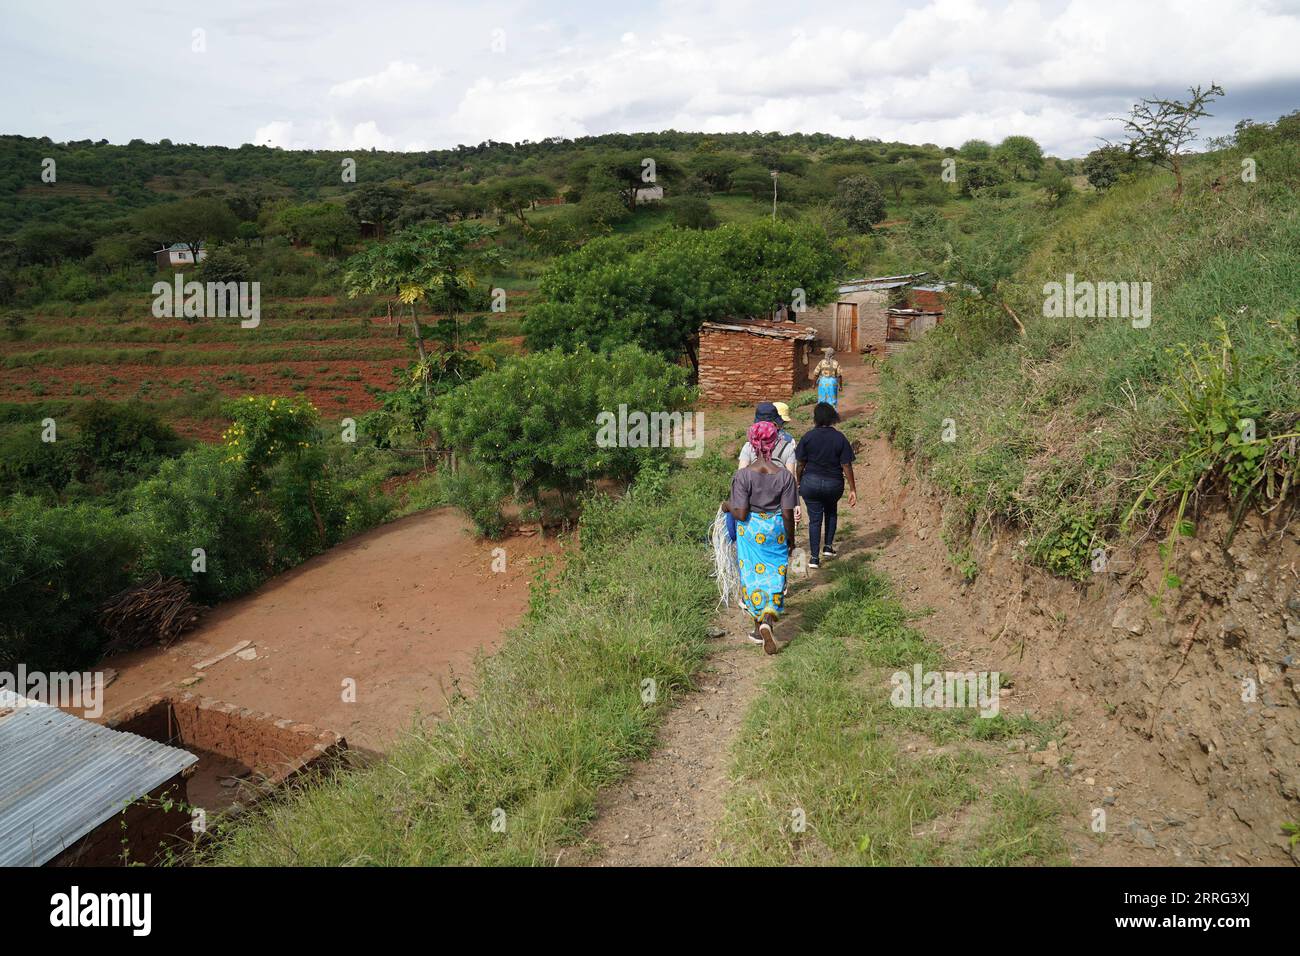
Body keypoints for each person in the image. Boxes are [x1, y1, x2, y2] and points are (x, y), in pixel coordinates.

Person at [723, 421, 797, 654]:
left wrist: (727, 506)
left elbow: (741, 512)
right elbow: (787, 514)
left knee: (753, 576)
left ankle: (758, 626)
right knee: (775, 575)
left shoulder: (743, 476)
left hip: (750, 531)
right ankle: (767, 620)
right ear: (775, 442)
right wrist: (791, 540)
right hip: (775, 530)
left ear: (752, 445)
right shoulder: (785, 476)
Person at [794, 402, 857, 570]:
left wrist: (798, 480)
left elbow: (800, 463)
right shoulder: (840, 438)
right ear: (832, 418)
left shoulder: (808, 437)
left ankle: (814, 558)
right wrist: (852, 489)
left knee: (814, 520)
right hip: (833, 484)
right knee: (831, 512)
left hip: (811, 483)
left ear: (816, 418)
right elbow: (846, 465)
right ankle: (828, 547)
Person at [730, 402, 799, 542]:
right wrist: (796, 504)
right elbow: (792, 478)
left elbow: (740, 479)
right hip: (777, 519)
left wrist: (728, 505)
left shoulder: (748, 447)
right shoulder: (787, 447)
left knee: (749, 563)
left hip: (751, 523)